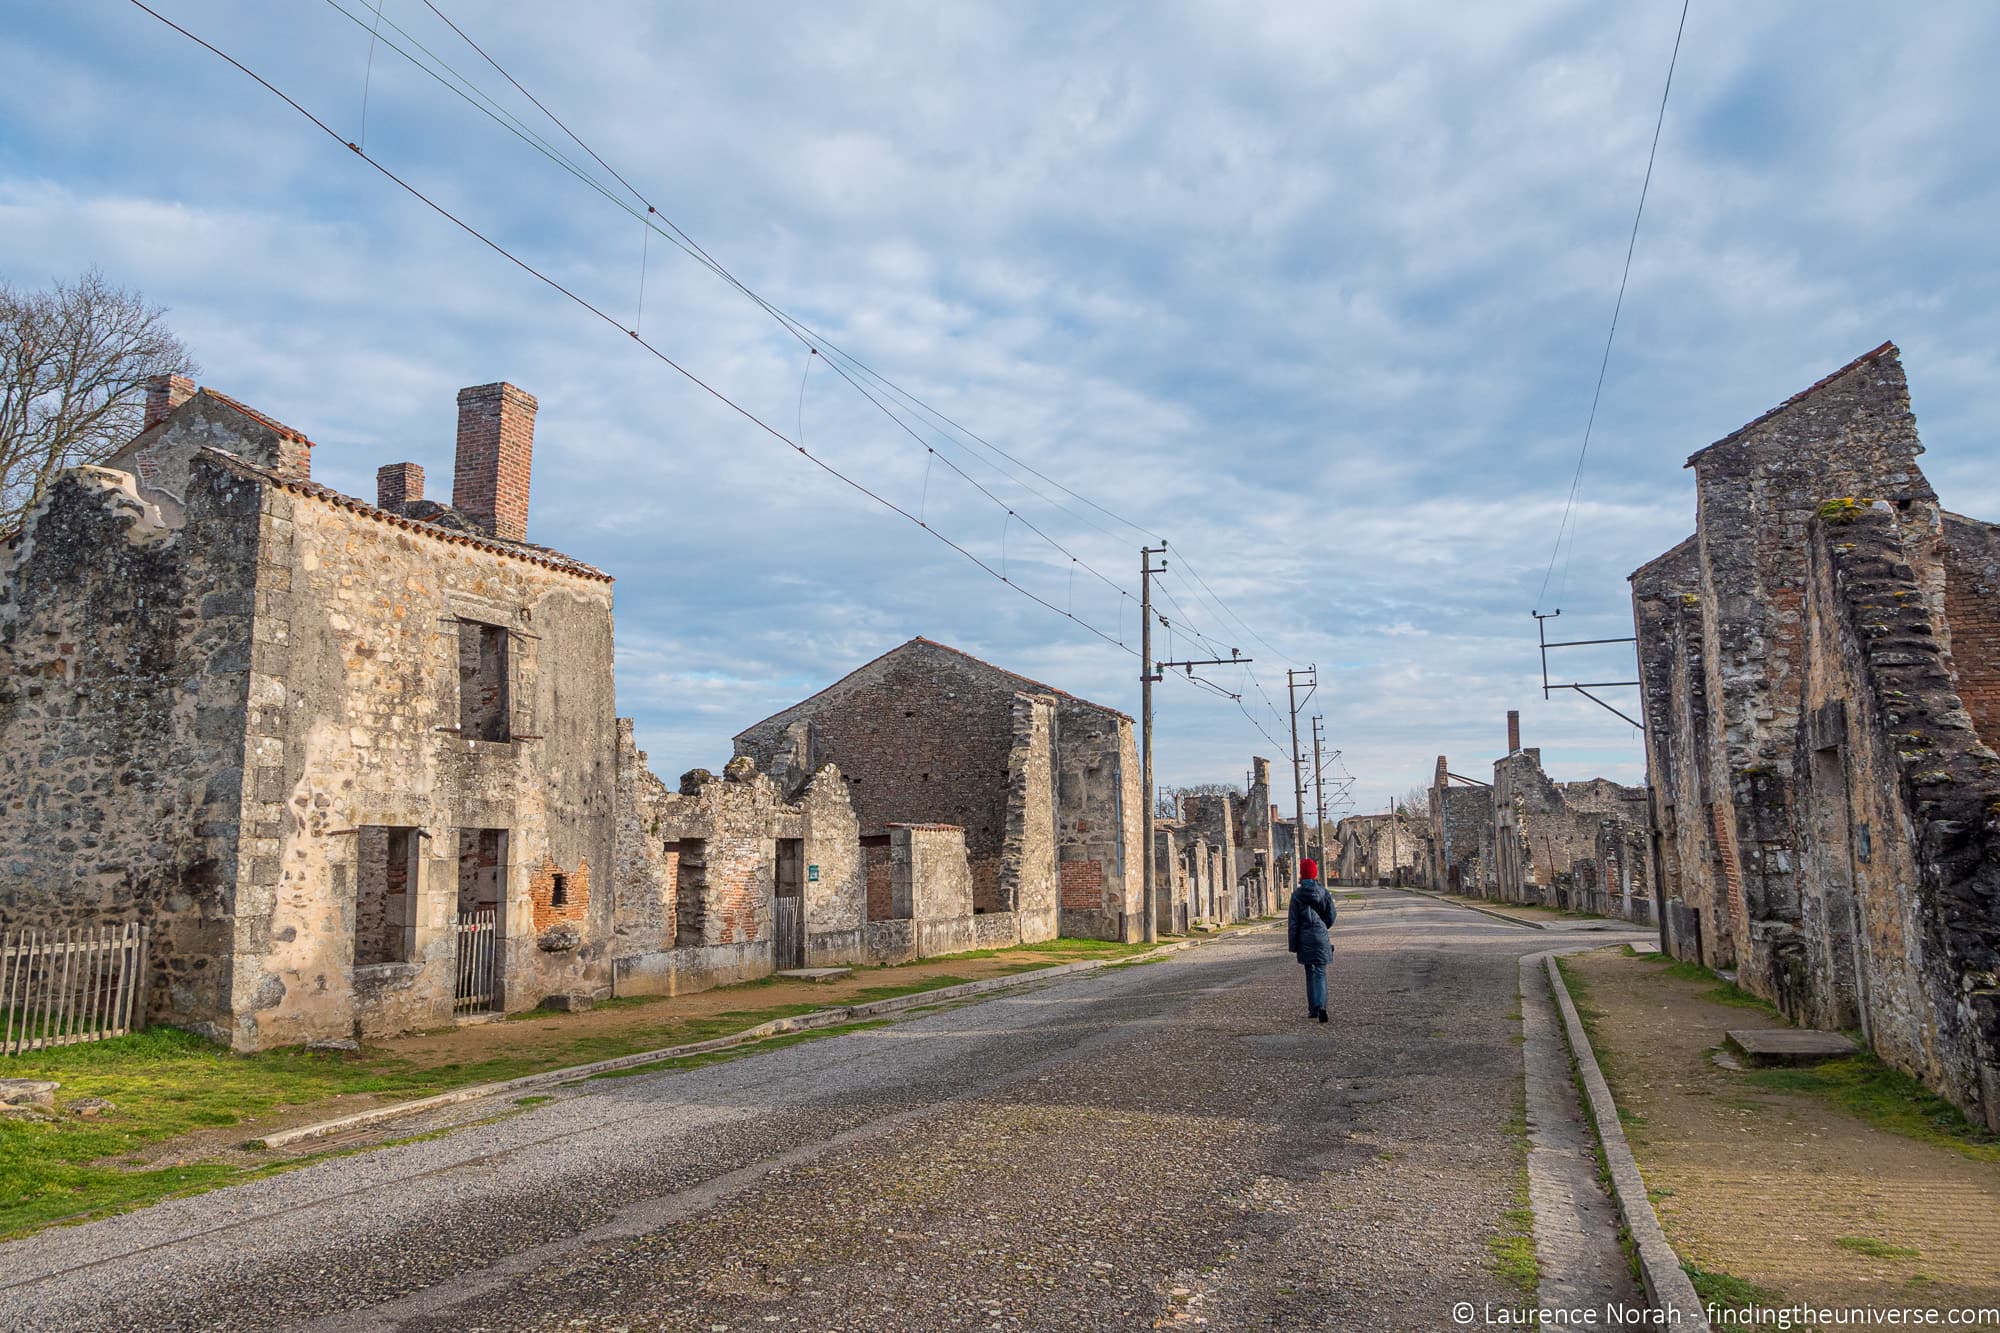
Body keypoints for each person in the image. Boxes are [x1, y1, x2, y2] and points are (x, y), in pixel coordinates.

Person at [1287, 857, 1336, 1022]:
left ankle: (1313, 1009)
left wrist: (1293, 945)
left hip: (1304, 938)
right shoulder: (1324, 892)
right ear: (1315, 874)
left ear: (1302, 875)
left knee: (1310, 972)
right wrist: (1322, 927)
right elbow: (1331, 916)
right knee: (1321, 973)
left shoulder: (1296, 895)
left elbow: (1293, 923)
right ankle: (1322, 1005)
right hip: (1321, 937)